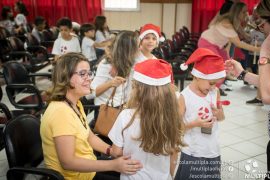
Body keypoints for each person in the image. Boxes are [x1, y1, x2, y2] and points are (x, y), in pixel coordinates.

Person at [40, 52, 142, 180]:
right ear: (65, 77)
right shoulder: (60, 112)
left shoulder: (74, 103)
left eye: (89, 73)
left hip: (86, 169)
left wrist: (111, 151)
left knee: (133, 173)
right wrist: (113, 164)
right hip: (72, 177)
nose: (89, 78)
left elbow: (88, 135)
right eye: (82, 74)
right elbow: (68, 162)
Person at [225, 1, 270, 179]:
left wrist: (264, 52)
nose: (261, 29)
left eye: (262, 24)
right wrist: (243, 74)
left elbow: (269, 95)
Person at [108, 59, 184, 180]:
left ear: (137, 90)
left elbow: (116, 152)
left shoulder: (126, 116)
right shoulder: (172, 118)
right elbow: (173, 155)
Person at [175, 48, 226, 180]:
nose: (213, 87)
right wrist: (194, 124)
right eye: (211, 83)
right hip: (193, 152)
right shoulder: (184, 97)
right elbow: (176, 127)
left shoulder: (215, 92)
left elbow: (222, 118)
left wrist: (218, 113)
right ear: (197, 76)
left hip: (212, 149)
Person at [88, 31, 139, 127]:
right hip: (106, 111)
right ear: (129, 49)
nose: (139, 49)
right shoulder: (106, 65)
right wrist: (111, 83)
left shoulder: (130, 63)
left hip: (121, 109)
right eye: (137, 46)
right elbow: (89, 94)